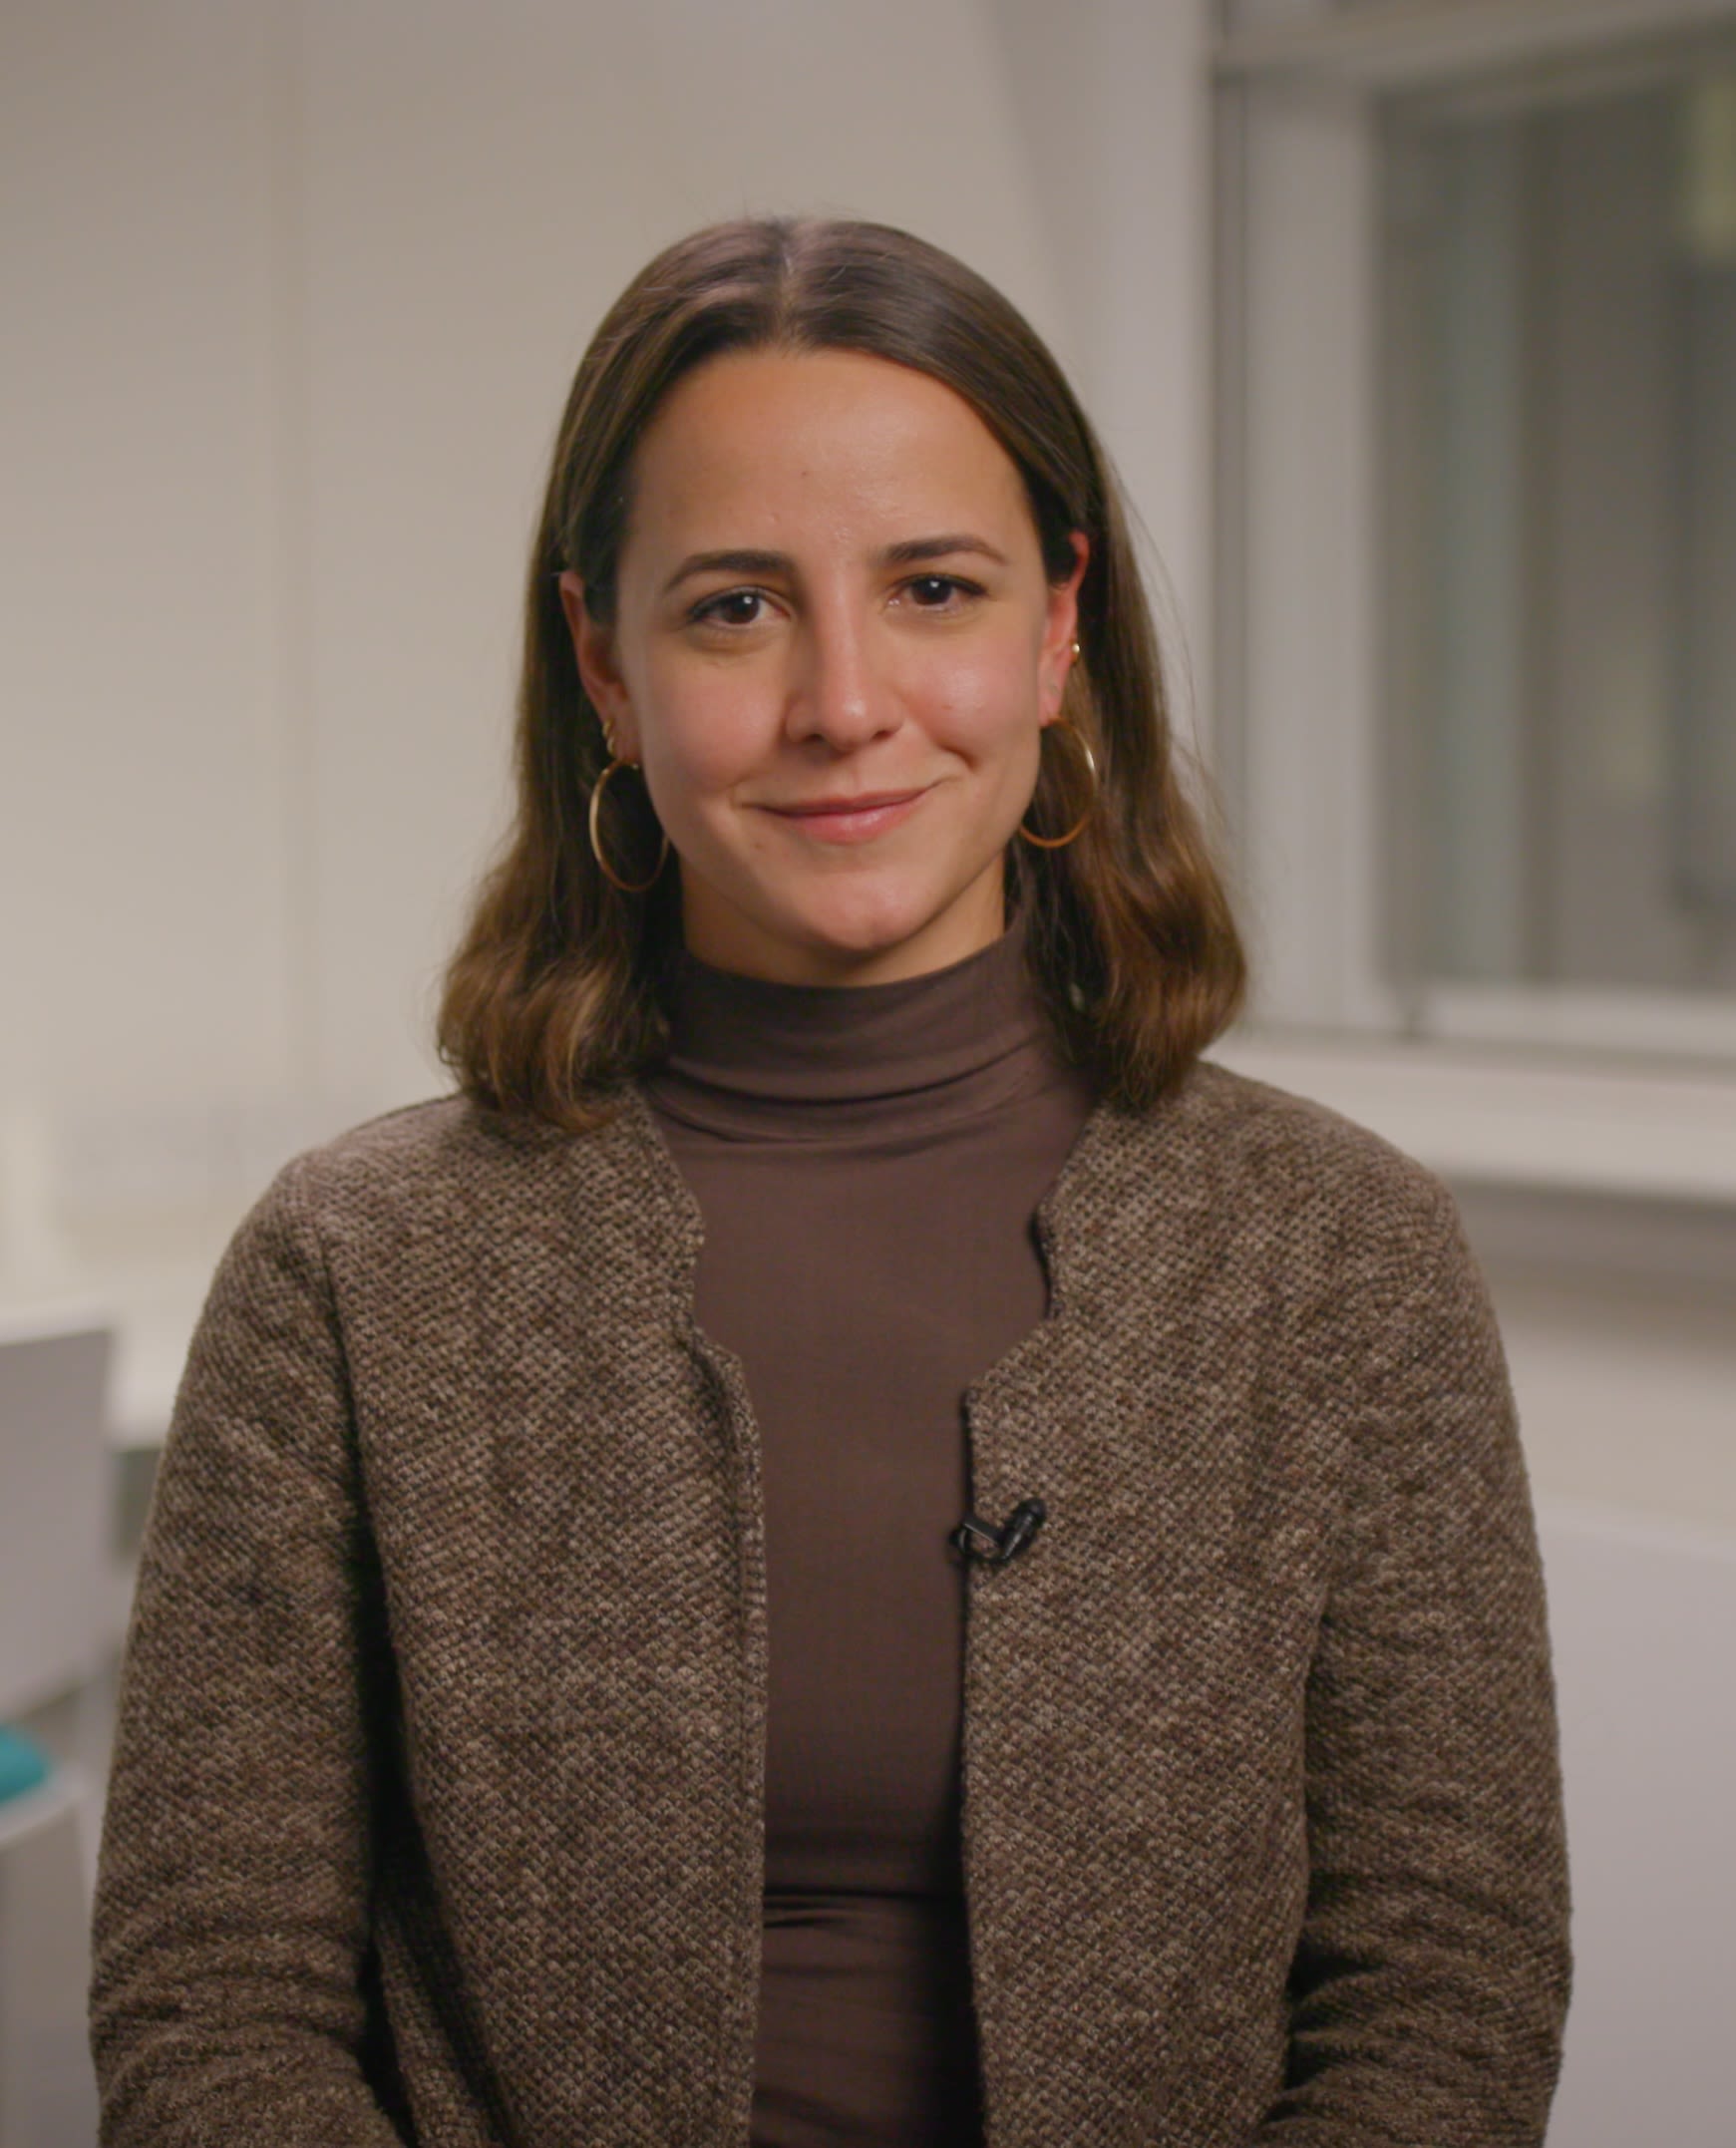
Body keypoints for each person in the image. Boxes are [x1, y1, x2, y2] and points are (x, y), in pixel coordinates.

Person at [89, 216, 1570, 2146]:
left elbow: (1443, 1992)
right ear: (602, 666)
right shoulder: (355, 1269)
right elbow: (212, 2009)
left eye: (933, 587)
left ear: (1055, 631)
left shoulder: (1336, 1254)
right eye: (734, 607)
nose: (843, 700)